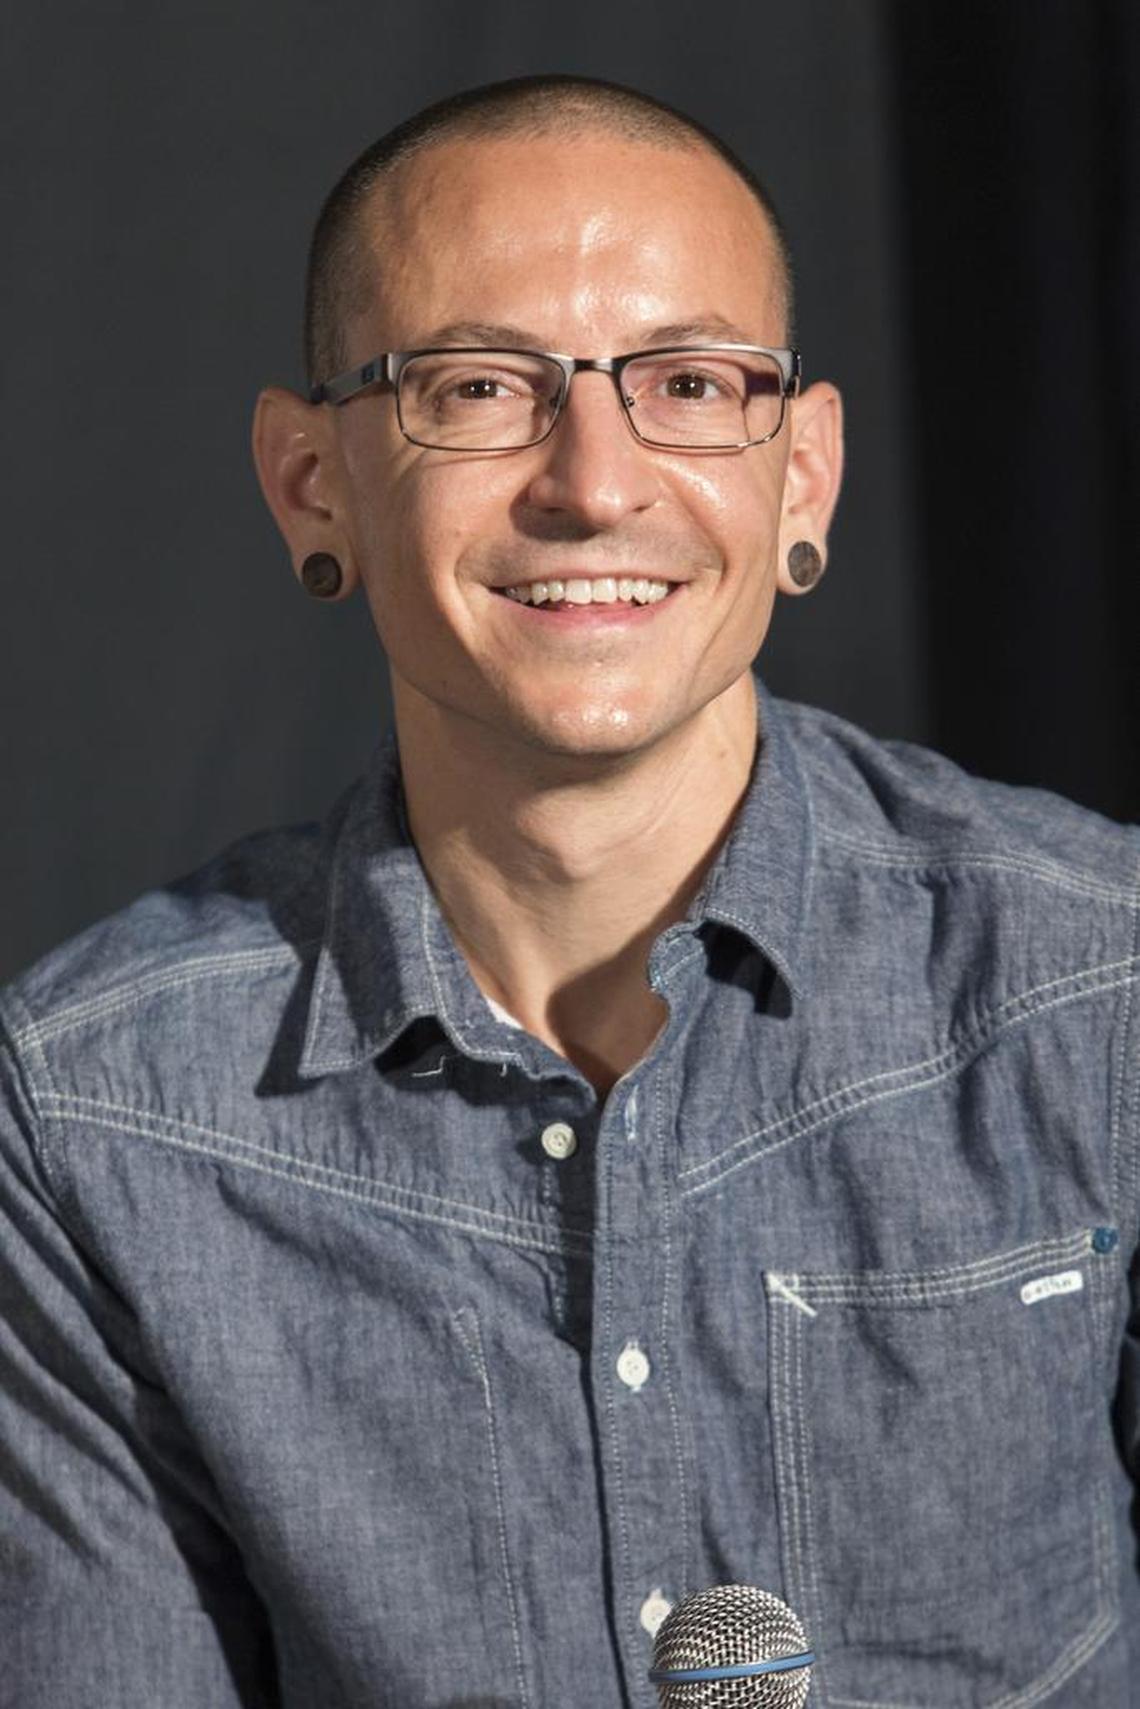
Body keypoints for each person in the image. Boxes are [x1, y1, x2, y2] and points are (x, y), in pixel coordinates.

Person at [1, 73, 1137, 1709]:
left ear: (801, 476)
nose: (595, 481)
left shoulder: (1102, 985)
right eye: (476, 387)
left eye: (688, 381)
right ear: (312, 482)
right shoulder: (94, 1119)